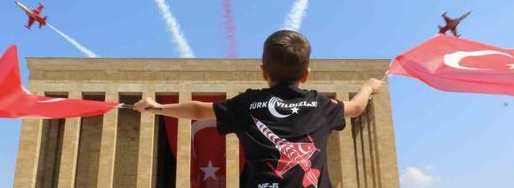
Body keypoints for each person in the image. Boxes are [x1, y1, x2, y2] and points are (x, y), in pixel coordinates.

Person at [135, 30, 385, 188]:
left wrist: (158, 108)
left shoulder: (247, 104)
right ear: (307, 75)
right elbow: (355, 108)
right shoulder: (320, 105)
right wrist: (368, 87)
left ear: (263, 71)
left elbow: (199, 110)